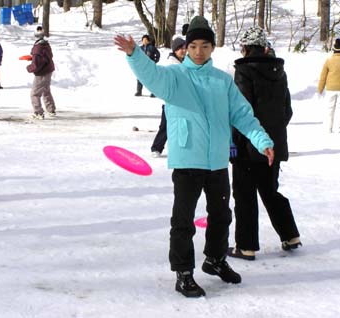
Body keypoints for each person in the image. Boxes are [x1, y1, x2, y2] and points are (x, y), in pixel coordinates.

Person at [114, 16, 274, 298]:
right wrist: (134, 54)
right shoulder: (175, 77)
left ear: (212, 48)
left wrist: (262, 141)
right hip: (187, 160)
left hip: (216, 162)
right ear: (186, 48)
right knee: (184, 221)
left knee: (222, 216)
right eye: (194, 46)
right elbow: (151, 75)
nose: (199, 51)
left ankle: (215, 260)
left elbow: (242, 115)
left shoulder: (222, 81)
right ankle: (184, 272)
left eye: (205, 45)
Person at [227, 27, 301, 262]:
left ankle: (246, 246)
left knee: (244, 194)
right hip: (274, 146)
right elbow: (287, 110)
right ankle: (290, 235)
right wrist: (275, 133)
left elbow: (241, 111)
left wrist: (235, 143)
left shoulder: (243, 71)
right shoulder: (279, 72)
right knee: (270, 191)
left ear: (245, 48)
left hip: (249, 146)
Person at [150, 36, 186, 158]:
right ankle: (156, 148)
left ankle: (182, 149)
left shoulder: (184, 63)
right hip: (172, 102)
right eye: (180, 48)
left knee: (183, 127)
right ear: (175, 50)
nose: (183, 50)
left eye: (184, 48)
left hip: (183, 102)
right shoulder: (172, 64)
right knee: (165, 126)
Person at [26, 26, 56, 119]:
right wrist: (33, 58)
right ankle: (51, 110)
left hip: (42, 73)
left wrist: (28, 67)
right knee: (46, 90)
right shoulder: (46, 44)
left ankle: (38, 112)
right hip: (48, 70)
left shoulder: (37, 48)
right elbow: (46, 57)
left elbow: (36, 65)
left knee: (35, 93)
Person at [318, 38, 340, 133]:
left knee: (330, 109)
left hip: (330, 88)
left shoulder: (329, 60)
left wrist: (320, 88)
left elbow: (323, 76)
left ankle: (328, 128)